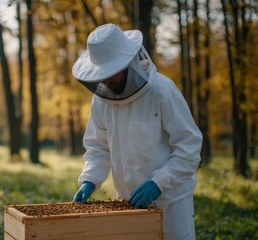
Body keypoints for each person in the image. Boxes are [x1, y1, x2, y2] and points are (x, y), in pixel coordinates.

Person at [71, 23, 202, 240]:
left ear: (128, 63)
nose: (106, 80)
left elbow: (189, 145)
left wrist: (159, 183)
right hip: (129, 203)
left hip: (171, 203)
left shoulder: (162, 91)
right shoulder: (101, 101)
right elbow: (98, 147)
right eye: (102, 73)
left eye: (112, 72)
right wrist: (90, 179)